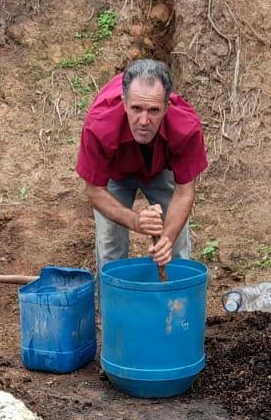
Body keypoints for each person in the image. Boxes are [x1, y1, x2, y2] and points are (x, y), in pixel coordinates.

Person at [75, 59, 208, 272]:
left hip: (160, 166)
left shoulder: (186, 127)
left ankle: (175, 303)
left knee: (176, 246)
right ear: (124, 102)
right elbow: (94, 190)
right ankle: (113, 304)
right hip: (115, 171)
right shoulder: (98, 126)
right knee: (110, 246)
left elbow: (184, 192)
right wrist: (135, 221)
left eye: (154, 111)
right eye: (136, 108)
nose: (143, 120)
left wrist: (167, 238)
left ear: (167, 107)